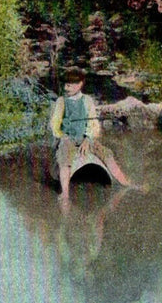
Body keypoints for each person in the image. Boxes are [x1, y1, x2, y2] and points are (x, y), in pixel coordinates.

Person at [49, 69, 132, 205]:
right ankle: (65, 193)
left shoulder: (87, 100)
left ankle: (125, 182)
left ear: (80, 84)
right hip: (67, 138)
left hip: (85, 137)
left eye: (70, 85)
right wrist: (62, 136)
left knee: (106, 154)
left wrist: (88, 139)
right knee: (65, 159)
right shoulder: (61, 101)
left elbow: (93, 124)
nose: (66, 88)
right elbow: (55, 124)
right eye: (65, 84)